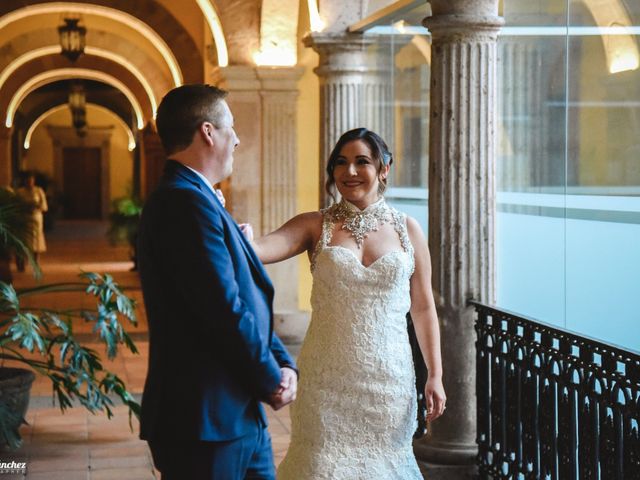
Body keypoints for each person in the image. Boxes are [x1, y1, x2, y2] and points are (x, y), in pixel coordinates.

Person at [246, 128, 446, 478]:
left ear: (384, 169)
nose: (349, 171)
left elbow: (424, 307)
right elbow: (261, 249)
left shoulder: (408, 230)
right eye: (341, 162)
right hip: (326, 380)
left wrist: (436, 374)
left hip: (389, 383)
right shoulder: (315, 224)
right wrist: (235, 232)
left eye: (361, 162)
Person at [137, 84, 298, 480]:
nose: (238, 139)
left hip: (237, 411)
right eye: (232, 128)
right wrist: (270, 378)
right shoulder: (183, 202)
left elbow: (246, 296)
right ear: (208, 132)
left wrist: (281, 361)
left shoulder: (200, 197)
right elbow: (222, 308)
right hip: (204, 418)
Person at [16, 173, 48, 269]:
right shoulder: (20, 192)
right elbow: (16, 205)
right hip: (24, 218)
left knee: (36, 239)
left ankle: (36, 260)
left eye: (31, 180)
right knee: (25, 240)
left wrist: (36, 207)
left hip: (35, 217)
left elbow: (44, 206)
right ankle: (22, 260)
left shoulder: (38, 191)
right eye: (27, 181)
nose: (29, 182)